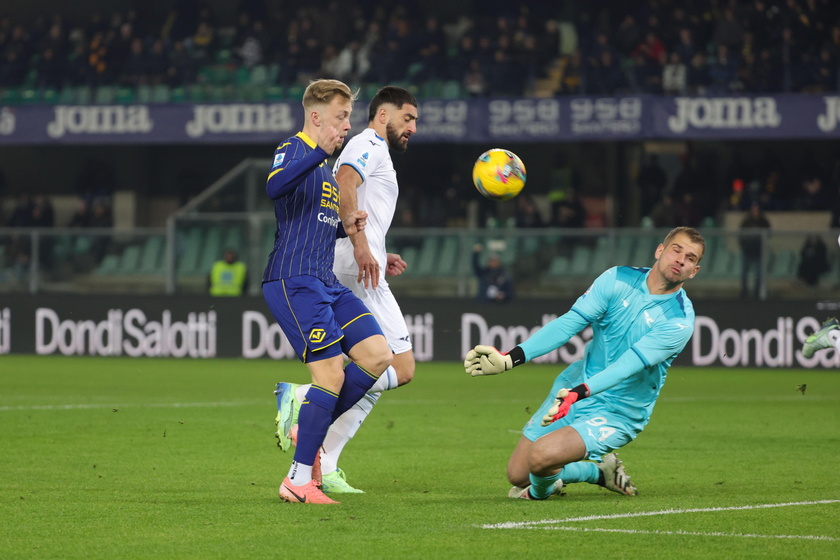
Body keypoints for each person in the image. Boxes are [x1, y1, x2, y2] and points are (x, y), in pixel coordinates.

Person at [464, 226, 704, 500]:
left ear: (693, 271)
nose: (681, 259)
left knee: (541, 458)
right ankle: (599, 473)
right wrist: (510, 359)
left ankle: (541, 492)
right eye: (676, 250)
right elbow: (569, 324)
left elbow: (625, 366)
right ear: (660, 250)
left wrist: (578, 393)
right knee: (518, 474)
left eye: (690, 258)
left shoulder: (678, 320)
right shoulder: (616, 278)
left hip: (618, 411)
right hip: (573, 388)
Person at [273, 86, 418, 494]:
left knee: (383, 366)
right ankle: (305, 398)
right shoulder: (368, 142)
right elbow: (345, 180)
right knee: (397, 367)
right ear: (384, 116)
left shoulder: (376, 149)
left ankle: (327, 458)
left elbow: (358, 202)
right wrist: (359, 246)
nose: (412, 128)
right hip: (354, 268)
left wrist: (377, 249)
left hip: (361, 264)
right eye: (408, 118)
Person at [739, 202, 770, 299]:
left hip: (759, 252)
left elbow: (768, 234)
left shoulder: (763, 222)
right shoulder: (746, 222)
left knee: (759, 274)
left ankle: (757, 293)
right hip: (747, 252)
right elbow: (741, 235)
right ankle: (744, 293)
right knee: (744, 273)